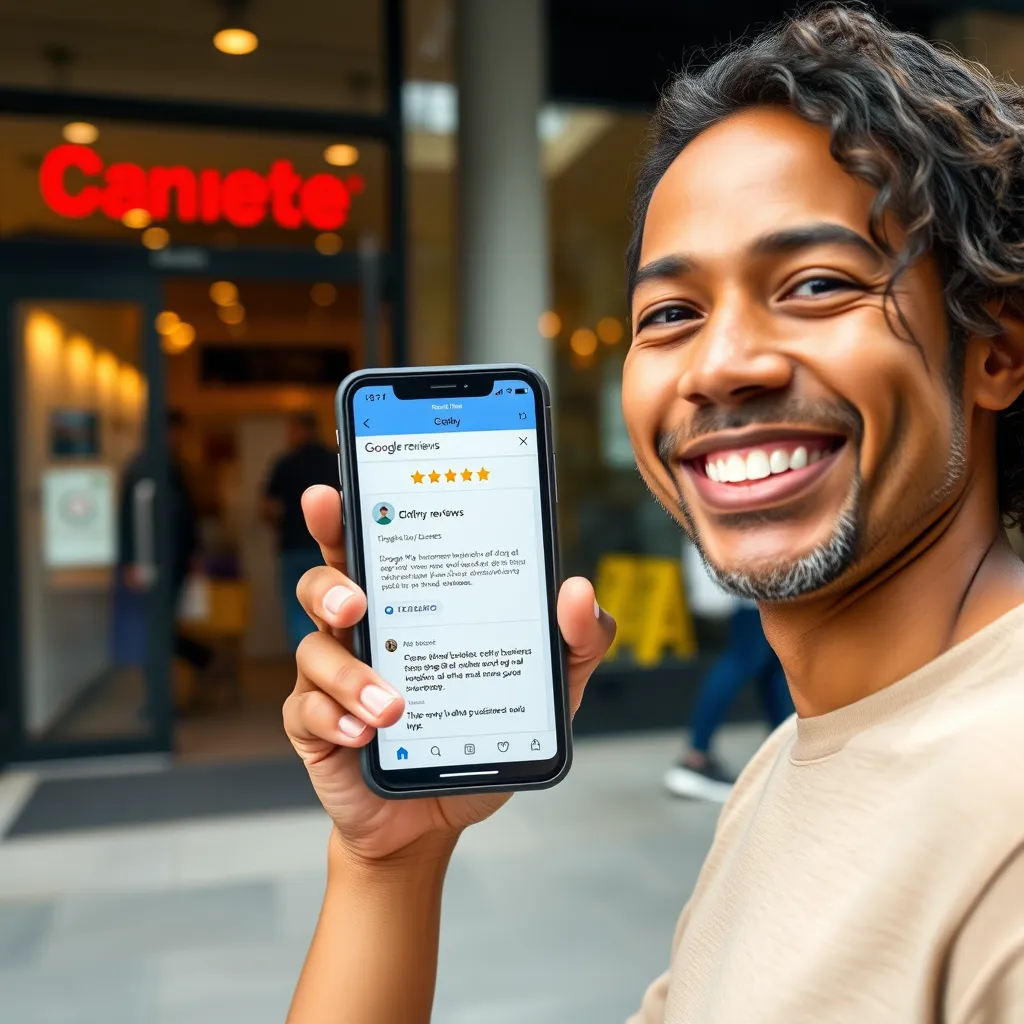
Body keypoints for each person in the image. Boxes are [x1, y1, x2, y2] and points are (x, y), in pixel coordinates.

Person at [282, 7, 1024, 1022]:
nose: (720, 365)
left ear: (996, 351)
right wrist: (388, 864)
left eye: (815, 285)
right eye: (671, 313)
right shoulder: (783, 770)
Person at [664, 542, 793, 801]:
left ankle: (784, 751)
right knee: (745, 656)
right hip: (759, 562)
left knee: (772, 661)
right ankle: (695, 758)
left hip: (758, 562)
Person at [117, 409, 212, 676]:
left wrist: (194, 552)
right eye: (176, 432)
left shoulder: (171, 465)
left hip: (173, 557)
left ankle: (194, 663)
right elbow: (129, 516)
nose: (179, 438)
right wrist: (131, 560)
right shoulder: (144, 467)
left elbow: (187, 513)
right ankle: (199, 660)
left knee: (162, 623)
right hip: (153, 559)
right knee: (158, 624)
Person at [262, 411, 339, 650]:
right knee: (332, 600)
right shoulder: (335, 460)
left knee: (298, 607)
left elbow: (269, 507)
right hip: (331, 546)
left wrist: (281, 526)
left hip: (294, 546)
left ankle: (310, 654)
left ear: (300, 430)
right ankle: (333, 652)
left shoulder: (285, 463)